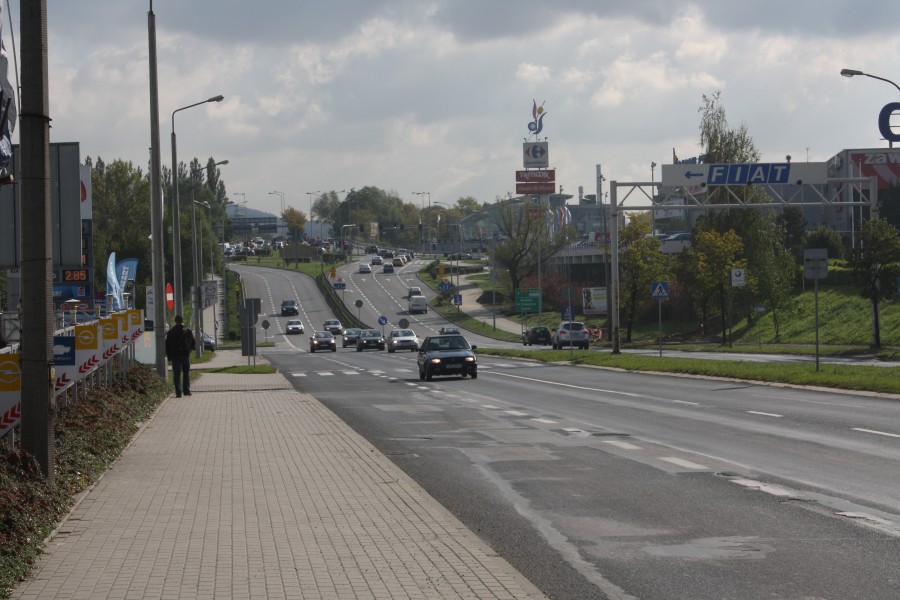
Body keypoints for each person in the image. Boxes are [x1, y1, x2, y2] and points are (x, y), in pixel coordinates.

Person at [165, 315, 194, 397]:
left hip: (175, 356)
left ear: (175, 321)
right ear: (182, 320)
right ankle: (187, 391)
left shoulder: (170, 332)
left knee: (177, 374)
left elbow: (167, 345)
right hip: (185, 355)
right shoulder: (187, 331)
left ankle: (178, 392)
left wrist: (169, 356)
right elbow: (193, 343)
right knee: (186, 373)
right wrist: (189, 351)